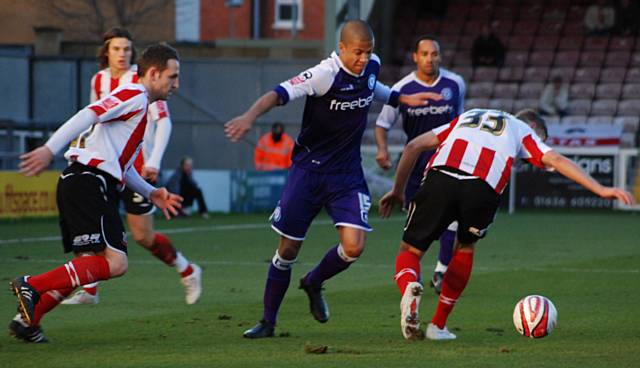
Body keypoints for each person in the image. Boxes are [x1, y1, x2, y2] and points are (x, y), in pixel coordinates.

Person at [224, 19, 442, 339]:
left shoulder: (371, 65)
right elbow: (278, 93)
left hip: (346, 174)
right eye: (357, 53)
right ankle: (268, 322)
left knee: (354, 247)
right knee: (287, 251)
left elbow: (374, 87)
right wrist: (248, 117)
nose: (363, 59)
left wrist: (400, 99)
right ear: (341, 49)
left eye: (368, 52)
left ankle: (313, 281)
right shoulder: (324, 74)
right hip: (308, 173)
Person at [379, 108, 635, 341]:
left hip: (441, 176)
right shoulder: (522, 129)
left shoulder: (469, 115)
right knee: (466, 247)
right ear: (533, 127)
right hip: (483, 186)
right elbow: (556, 160)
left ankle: (409, 287)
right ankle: (437, 325)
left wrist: (398, 191)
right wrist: (600, 189)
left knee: (410, 252)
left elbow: (413, 146)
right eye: (541, 139)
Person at [10, 44, 185, 343]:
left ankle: (28, 322)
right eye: (173, 76)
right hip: (89, 181)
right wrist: (49, 149)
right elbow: (88, 113)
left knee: (86, 264)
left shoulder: (139, 110)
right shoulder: (134, 94)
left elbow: (123, 167)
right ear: (154, 73)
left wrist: (151, 191)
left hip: (78, 181)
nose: (176, 84)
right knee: (116, 263)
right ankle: (32, 284)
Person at [61, 28, 202, 306]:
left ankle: (187, 270)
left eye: (127, 49)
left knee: (142, 236)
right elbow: (94, 118)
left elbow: (163, 120)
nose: (122, 54)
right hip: (104, 167)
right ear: (106, 52)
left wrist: (153, 161)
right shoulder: (98, 80)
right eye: (116, 49)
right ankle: (89, 290)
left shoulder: (144, 80)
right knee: (93, 228)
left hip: (135, 168)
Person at [375, 35, 465, 295]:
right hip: (415, 168)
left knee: (452, 220)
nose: (429, 58)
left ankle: (441, 270)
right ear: (415, 57)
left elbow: (459, 123)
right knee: (417, 227)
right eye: (424, 54)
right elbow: (381, 124)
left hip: (446, 163)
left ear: (440, 56)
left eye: (434, 53)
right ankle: (412, 276)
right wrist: (382, 149)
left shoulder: (455, 84)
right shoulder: (402, 88)